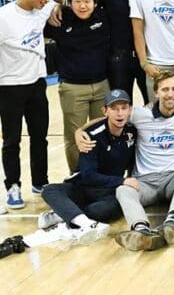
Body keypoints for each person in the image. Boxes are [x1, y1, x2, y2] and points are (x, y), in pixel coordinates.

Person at [76, 71, 174, 251]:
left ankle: (171, 223)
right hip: (145, 182)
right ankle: (140, 229)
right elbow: (108, 118)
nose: (170, 94)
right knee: (123, 188)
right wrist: (79, 131)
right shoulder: (139, 114)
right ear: (156, 93)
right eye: (165, 89)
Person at [38, 89, 135, 245]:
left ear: (130, 110)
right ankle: (86, 223)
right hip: (83, 187)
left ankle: (63, 215)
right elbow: (88, 175)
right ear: (105, 111)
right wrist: (122, 181)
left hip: (109, 191)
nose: (119, 113)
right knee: (49, 190)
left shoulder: (132, 131)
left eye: (124, 108)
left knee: (112, 208)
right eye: (114, 109)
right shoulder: (90, 135)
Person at [0, 0, 55, 208]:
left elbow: (57, 2)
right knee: (11, 140)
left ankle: (40, 182)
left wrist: (53, 1)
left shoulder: (41, 10)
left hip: (37, 84)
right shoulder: (4, 17)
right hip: (9, 86)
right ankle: (13, 186)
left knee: (40, 137)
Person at [43, 0, 110, 173]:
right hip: (72, 88)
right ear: (69, 2)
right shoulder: (58, 19)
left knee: (102, 133)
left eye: (87, 1)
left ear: (95, 3)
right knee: (75, 136)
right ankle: (78, 176)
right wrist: (55, 4)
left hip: (102, 85)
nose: (82, 6)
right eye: (77, 1)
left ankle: (101, 176)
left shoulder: (103, 17)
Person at [95, 0, 149, 104]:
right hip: (118, 58)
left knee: (153, 103)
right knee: (121, 106)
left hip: (146, 55)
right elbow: (87, 8)